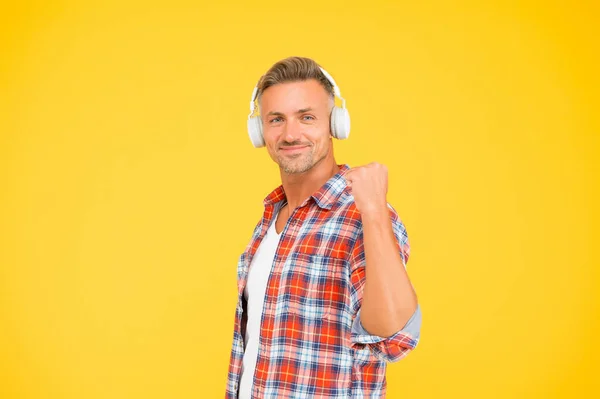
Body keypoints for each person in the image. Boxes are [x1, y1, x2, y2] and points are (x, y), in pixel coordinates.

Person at [225, 56, 422, 398]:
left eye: (306, 117)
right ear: (259, 131)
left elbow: (394, 337)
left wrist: (373, 211)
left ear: (335, 123)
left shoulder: (363, 213)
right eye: (276, 119)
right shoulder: (270, 219)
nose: (290, 134)